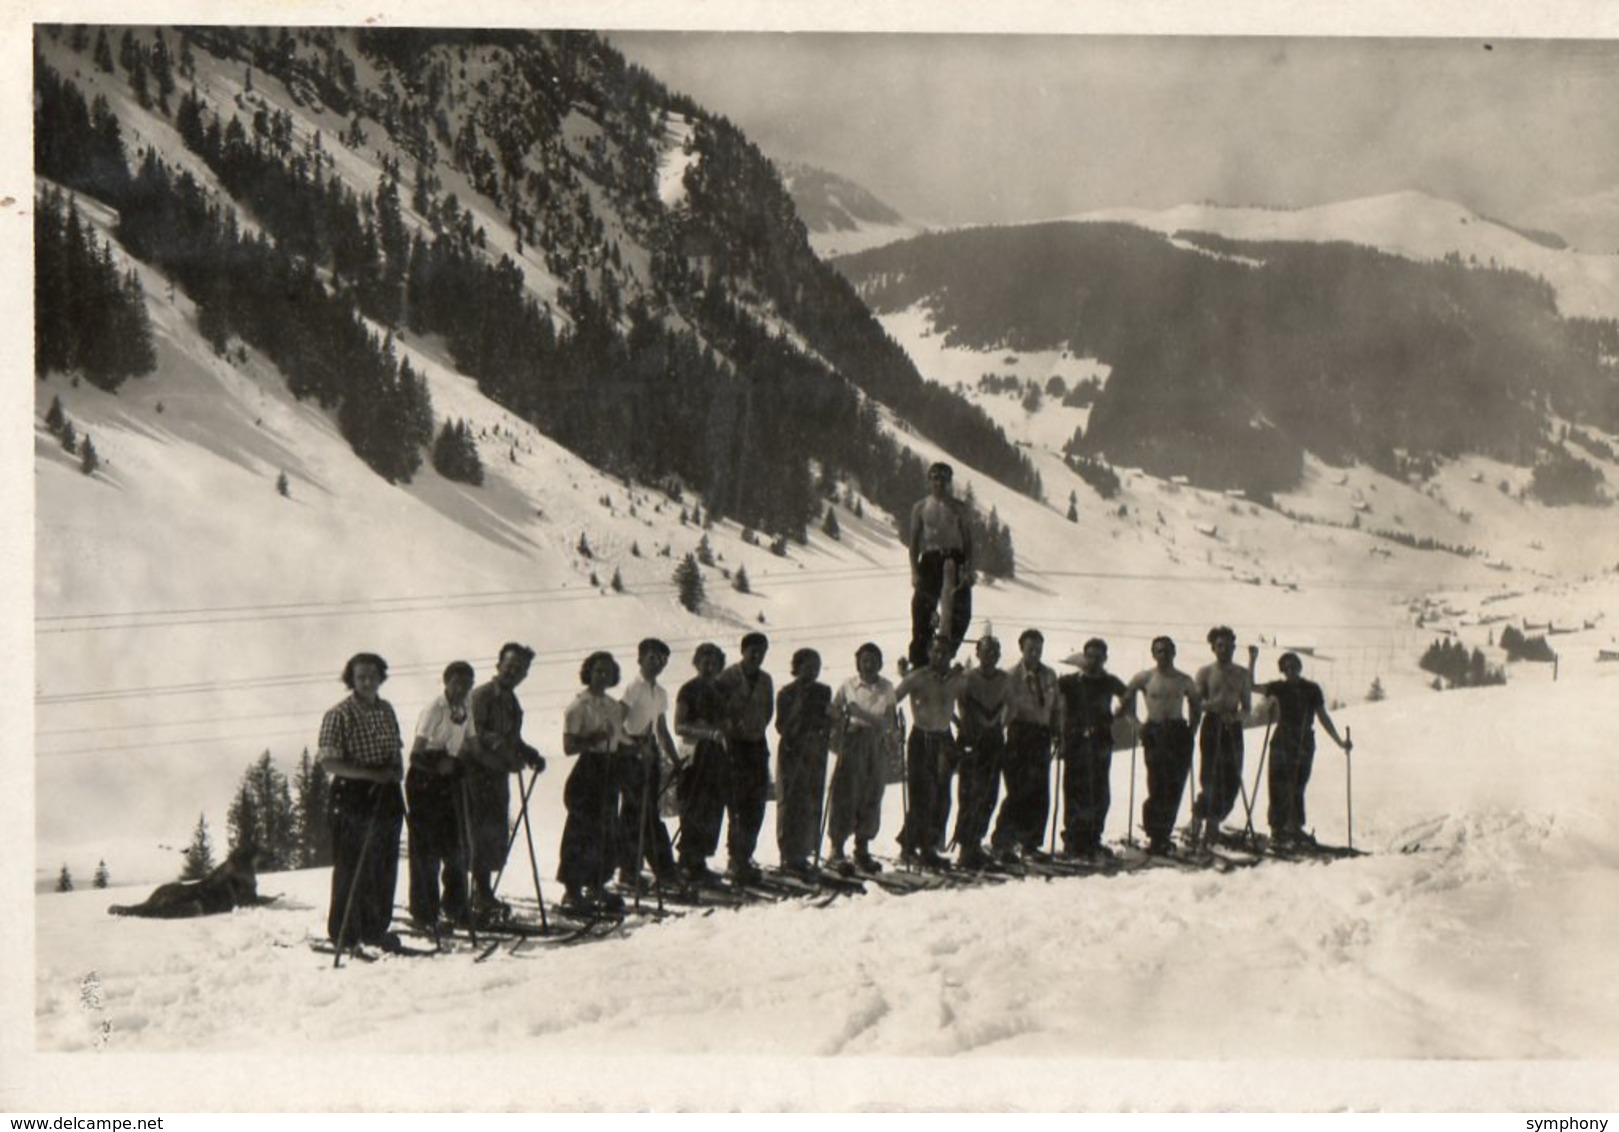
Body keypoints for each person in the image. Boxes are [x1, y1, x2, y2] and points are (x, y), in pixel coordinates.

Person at [318, 652, 406, 952]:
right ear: (351, 680)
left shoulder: (386, 710)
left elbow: (396, 749)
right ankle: (344, 932)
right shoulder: (339, 714)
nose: (367, 682)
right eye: (361, 677)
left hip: (386, 794)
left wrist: (394, 769)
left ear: (381, 677)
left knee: (383, 865)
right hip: (353, 795)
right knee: (351, 866)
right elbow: (330, 763)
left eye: (373, 676)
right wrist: (371, 774)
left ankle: (375, 929)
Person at [466, 642, 545, 921]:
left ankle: (482, 893)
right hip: (474, 773)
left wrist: (529, 754)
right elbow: (476, 732)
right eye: (510, 666)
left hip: (496, 775)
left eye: (520, 669)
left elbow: (513, 739)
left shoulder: (512, 703)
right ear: (498, 665)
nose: (514, 672)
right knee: (474, 833)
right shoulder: (481, 695)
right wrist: (503, 751)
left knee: (494, 834)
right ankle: (467, 896)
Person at [405, 660, 477, 932]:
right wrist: (438, 765)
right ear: (446, 682)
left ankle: (456, 908)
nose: (462, 689)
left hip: (449, 779)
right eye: (457, 683)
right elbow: (416, 753)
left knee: (456, 847)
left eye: (467, 684)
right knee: (426, 850)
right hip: (425, 780)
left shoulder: (465, 709)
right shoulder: (434, 709)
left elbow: (470, 744)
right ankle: (424, 913)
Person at [1255, 652, 1352, 845]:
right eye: (1286, 667)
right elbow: (1251, 686)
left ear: (1300, 667)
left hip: (1304, 740)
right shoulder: (1278, 687)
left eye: (1294, 666)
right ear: (1283, 670)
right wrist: (1252, 660)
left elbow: (1322, 716)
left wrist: (1339, 741)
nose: (1290, 670)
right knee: (1277, 783)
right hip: (1282, 739)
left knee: (1298, 785)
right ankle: (1277, 828)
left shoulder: (1311, 689)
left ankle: (1294, 828)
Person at [558, 651, 626, 912]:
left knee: (607, 829)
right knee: (581, 829)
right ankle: (572, 890)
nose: (602, 676)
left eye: (607, 672)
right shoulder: (578, 706)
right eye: (598, 671)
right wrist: (596, 738)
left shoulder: (612, 705)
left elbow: (618, 740)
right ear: (588, 672)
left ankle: (597, 885)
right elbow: (569, 746)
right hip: (588, 769)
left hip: (609, 767)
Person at [1123, 637, 1203, 856]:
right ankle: (1155, 834)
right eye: (1159, 651)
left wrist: (1192, 729)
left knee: (1175, 785)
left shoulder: (1184, 679)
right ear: (1153, 654)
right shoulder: (1145, 677)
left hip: (1178, 732)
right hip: (1155, 732)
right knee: (1156, 784)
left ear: (1174, 652)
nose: (1163, 655)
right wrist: (1136, 724)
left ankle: (1164, 834)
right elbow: (1126, 700)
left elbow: (1196, 704)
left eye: (1167, 651)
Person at [894, 634, 967, 868]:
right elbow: (892, 700)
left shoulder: (956, 679)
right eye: (935, 651)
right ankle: (912, 847)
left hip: (944, 739)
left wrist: (958, 722)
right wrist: (894, 726)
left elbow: (957, 703)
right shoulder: (917, 677)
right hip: (921, 738)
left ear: (950, 655)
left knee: (942, 797)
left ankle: (930, 846)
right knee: (922, 795)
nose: (940, 656)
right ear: (928, 652)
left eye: (944, 652)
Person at [827, 642, 899, 875]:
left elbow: (889, 722)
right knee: (846, 793)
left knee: (872, 792)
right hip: (853, 741)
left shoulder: (887, 687)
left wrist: (860, 714)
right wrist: (842, 718)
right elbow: (834, 711)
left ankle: (862, 848)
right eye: (865, 660)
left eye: (874, 660)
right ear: (858, 662)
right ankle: (836, 849)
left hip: (875, 744)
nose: (869, 665)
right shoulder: (848, 686)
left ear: (880, 663)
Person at [1056, 639, 1130, 860]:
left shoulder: (1109, 681)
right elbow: (1055, 701)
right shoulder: (1070, 682)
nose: (1093, 661)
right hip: (1076, 741)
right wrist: (1060, 731)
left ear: (1105, 658)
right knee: (1074, 791)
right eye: (1089, 656)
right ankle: (1073, 841)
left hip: (1100, 741)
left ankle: (1092, 840)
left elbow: (1128, 695)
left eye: (1098, 657)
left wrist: (1118, 714)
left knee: (1099, 793)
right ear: (1083, 656)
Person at [617, 638, 680, 891]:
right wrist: (633, 747)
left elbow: (662, 729)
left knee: (648, 811)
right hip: (632, 753)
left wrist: (675, 760)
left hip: (650, 751)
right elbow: (617, 725)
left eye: (663, 659)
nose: (659, 664)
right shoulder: (634, 687)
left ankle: (654, 870)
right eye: (653, 658)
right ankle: (631, 871)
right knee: (635, 814)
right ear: (641, 659)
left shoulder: (660, 692)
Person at [991, 628, 1059, 863]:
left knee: (1040, 792)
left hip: (1041, 735)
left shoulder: (1050, 675)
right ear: (1022, 649)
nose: (1034, 654)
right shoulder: (1009, 677)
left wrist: (1057, 731)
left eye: (1038, 649)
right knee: (1018, 791)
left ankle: (1031, 843)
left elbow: (1055, 706)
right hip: (1019, 735)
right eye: (1030, 649)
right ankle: (1003, 843)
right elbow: (1000, 710)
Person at [715, 632, 775, 883]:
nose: (757, 655)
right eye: (753, 650)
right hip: (735, 746)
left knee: (756, 803)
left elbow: (768, 710)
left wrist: (756, 727)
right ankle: (735, 859)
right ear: (743, 651)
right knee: (738, 804)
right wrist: (730, 727)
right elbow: (716, 707)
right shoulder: (728, 677)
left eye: (761, 651)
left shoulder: (765, 679)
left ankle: (746, 855)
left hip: (757, 744)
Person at [1191, 626, 1254, 847]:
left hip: (1232, 728)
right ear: (1213, 648)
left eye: (1228, 645)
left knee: (1232, 778)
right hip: (1212, 725)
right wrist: (1212, 705)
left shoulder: (1241, 674)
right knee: (1210, 777)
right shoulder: (1205, 672)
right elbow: (1196, 703)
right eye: (1220, 645)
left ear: (1234, 647)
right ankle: (1203, 820)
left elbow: (1247, 707)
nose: (1224, 649)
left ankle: (1211, 819)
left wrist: (1236, 717)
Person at [774, 648, 834, 877]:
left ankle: (807, 852)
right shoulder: (786, 693)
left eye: (816, 666)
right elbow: (781, 726)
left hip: (815, 751)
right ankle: (789, 855)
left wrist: (828, 722)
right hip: (792, 751)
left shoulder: (823, 691)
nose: (813, 671)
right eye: (808, 666)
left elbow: (827, 720)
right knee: (791, 801)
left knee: (812, 799)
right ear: (797, 667)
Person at [908, 462, 975, 667]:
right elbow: (913, 543)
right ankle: (920, 660)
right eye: (936, 478)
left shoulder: (959, 508)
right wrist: (914, 571)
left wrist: (968, 569)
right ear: (930, 480)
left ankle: (947, 653)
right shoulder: (920, 507)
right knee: (922, 609)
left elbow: (968, 541)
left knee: (961, 612)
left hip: (954, 559)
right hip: (929, 560)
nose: (940, 483)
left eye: (944, 479)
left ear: (949, 481)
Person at [674, 642, 729, 883]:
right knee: (693, 805)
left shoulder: (721, 690)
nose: (709, 667)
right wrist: (707, 732)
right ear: (696, 663)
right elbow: (679, 725)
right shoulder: (688, 689)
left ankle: (701, 861)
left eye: (714, 663)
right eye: (705, 662)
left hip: (715, 754)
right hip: (694, 753)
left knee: (712, 807)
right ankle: (687, 860)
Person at [953, 635, 1009, 869]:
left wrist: (998, 722)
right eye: (985, 652)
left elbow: (1008, 705)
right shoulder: (966, 679)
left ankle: (975, 844)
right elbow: (956, 703)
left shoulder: (1005, 679)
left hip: (994, 740)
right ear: (977, 654)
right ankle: (966, 848)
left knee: (989, 795)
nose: (990, 657)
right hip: (972, 740)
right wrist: (961, 723)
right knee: (970, 794)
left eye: (994, 653)